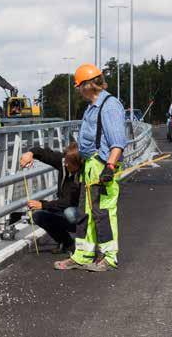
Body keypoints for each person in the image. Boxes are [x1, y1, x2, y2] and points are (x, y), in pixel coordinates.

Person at [54, 64, 127, 272]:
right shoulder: (92, 106)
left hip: (102, 165)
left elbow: (118, 142)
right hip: (90, 165)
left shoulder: (109, 106)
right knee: (87, 212)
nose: (78, 90)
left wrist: (109, 167)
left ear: (88, 85)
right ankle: (84, 255)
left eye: (79, 86)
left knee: (103, 211)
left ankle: (108, 257)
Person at [20, 142, 83, 254]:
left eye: (68, 163)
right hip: (64, 209)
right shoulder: (64, 163)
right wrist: (30, 153)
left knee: (69, 212)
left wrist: (43, 204)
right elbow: (45, 154)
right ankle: (67, 243)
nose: (65, 164)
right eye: (65, 161)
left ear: (78, 164)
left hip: (81, 214)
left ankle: (86, 244)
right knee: (38, 216)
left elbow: (69, 202)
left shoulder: (83, 174)